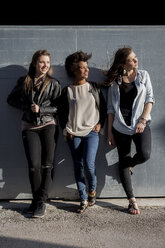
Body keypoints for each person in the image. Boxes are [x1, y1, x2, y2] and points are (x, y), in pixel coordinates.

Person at [7, 49, 61, 218]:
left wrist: (41, 109)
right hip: (29, 127)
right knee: (33, 166)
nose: (45, 65)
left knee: (47, 165)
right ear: (35, 63)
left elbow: (59, 107)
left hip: (48, 125)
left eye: (47, 62)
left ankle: (40, 202)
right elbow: (11, 99)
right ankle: (37, 200)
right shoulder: (25, 82)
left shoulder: (54, 83)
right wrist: (26, 107)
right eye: (41, 62)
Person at [105, 46, 155, 215]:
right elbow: (111, 108)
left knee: (145, 154)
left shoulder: (143, 75)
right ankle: (132, 201)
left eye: (136, 57)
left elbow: (149, 99)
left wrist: (143, 120)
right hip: (120, 127)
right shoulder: (115, 82)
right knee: (123, 158)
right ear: (123, 63)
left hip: (140, 124)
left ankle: (129, 165)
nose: (136, 60)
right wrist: (110, 131)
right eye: (132, 59)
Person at [58, 50, 106, 213]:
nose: (87, 70)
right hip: (74, 133)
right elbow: (62, 114)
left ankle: (92, 190)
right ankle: (83, 198)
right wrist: (66, 130)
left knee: (88, 164)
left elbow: (104, 108)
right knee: (77, 166)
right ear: (74, 70)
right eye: (83, 68)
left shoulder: (93, 87)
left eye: (87, 67)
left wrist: (101, 123)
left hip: (92, 133)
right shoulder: (67, 91)